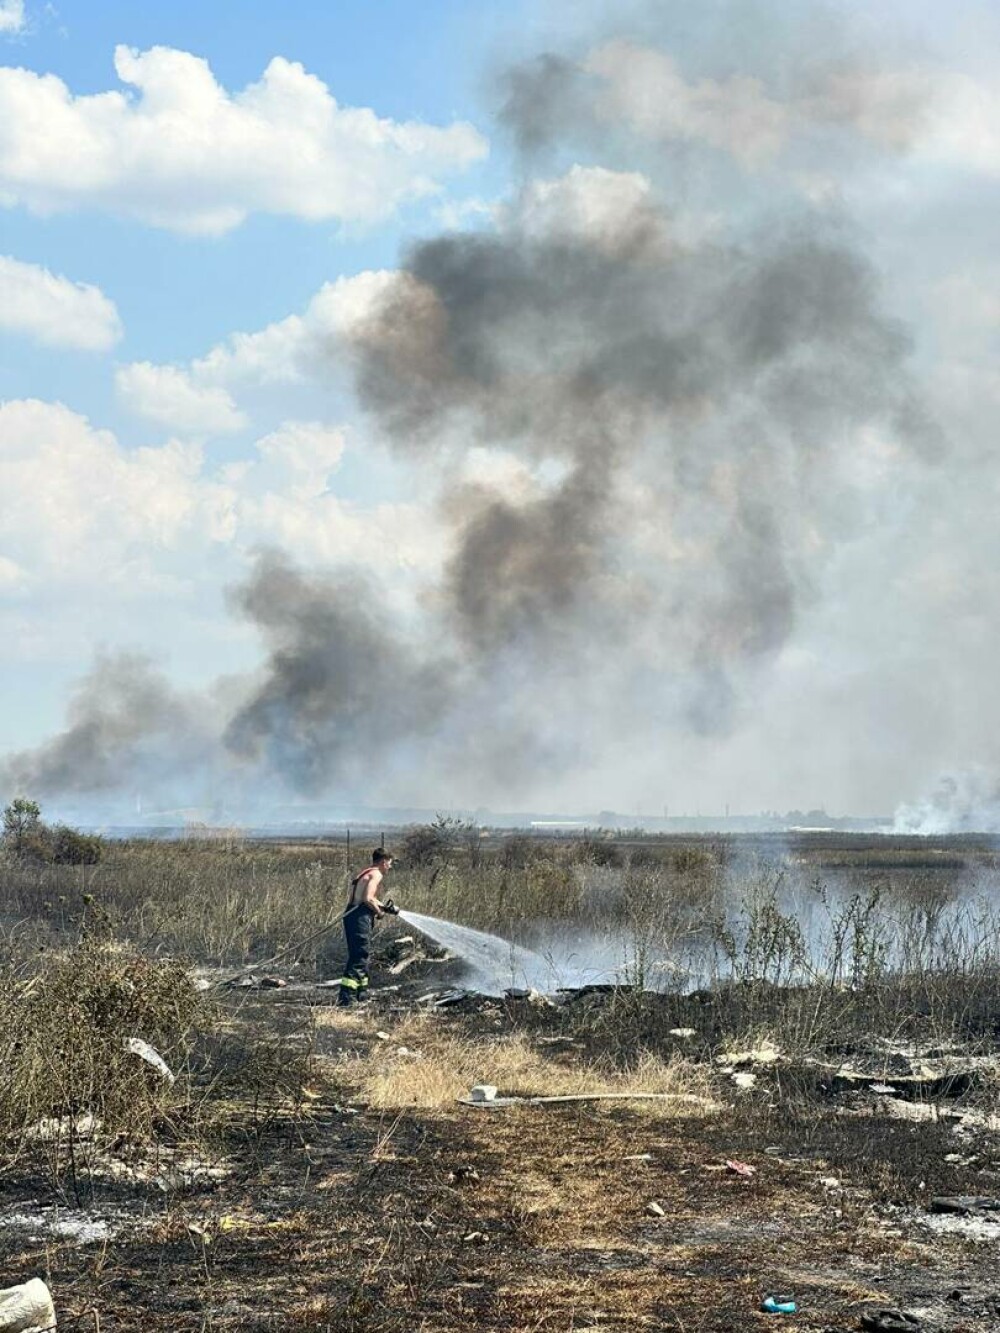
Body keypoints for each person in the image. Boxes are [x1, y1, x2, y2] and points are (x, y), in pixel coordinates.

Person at [337, 848, 394, 1006]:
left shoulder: (366, 872)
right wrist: (379, 913)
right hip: (359, 916)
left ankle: (361, 993)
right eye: (389, 864)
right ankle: (346, 997)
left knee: (362, 954)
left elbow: (369, 897)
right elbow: (367, 898)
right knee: (359, 954)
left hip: (353, 914)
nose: (389, 867)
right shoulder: (377, 874)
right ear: (383, 862)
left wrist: (384, 907)